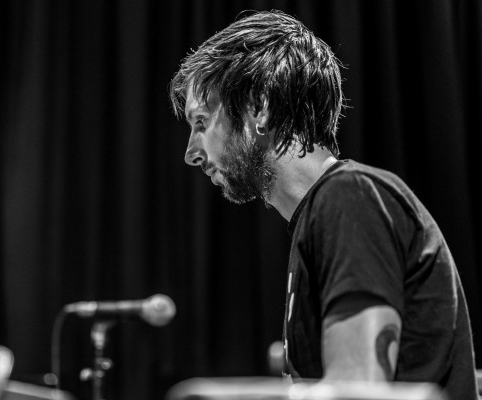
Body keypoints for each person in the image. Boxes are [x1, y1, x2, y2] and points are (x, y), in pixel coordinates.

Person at [168, 10, 478, 400]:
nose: (191, 154)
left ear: (260, 108)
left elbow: (357, 393)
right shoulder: (324, 211)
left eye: (201, 122)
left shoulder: (349, 196)